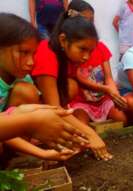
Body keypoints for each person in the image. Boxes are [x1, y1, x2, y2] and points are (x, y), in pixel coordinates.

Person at [0, 13, 88, 161]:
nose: (31, 62)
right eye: (24, 52)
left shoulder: (24, 78)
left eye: (33, 54)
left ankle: (17, 156)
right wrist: (41, 150)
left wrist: (44, 152)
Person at [32, 8, 113, 160]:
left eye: (90, 51)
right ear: (63, 40)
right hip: (23, 107)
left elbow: (60, 106)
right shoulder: (47, 54)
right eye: (82, 49)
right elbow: (55, 109)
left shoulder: (66, 55)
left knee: (72, 85)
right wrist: (90, 134)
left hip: (47, 106)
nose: (86, 57)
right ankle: (35, 135)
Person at [66, 0, 128, 125]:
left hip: (103, 100)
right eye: (85, 20)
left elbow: (109, 77)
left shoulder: (100, 47)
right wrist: (107, 89)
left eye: (92, 20)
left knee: (122, 120)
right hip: (80, 102)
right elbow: (80, 80)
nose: (89, 24)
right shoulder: (70, 51)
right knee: (81, 126)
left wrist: (115, 94)